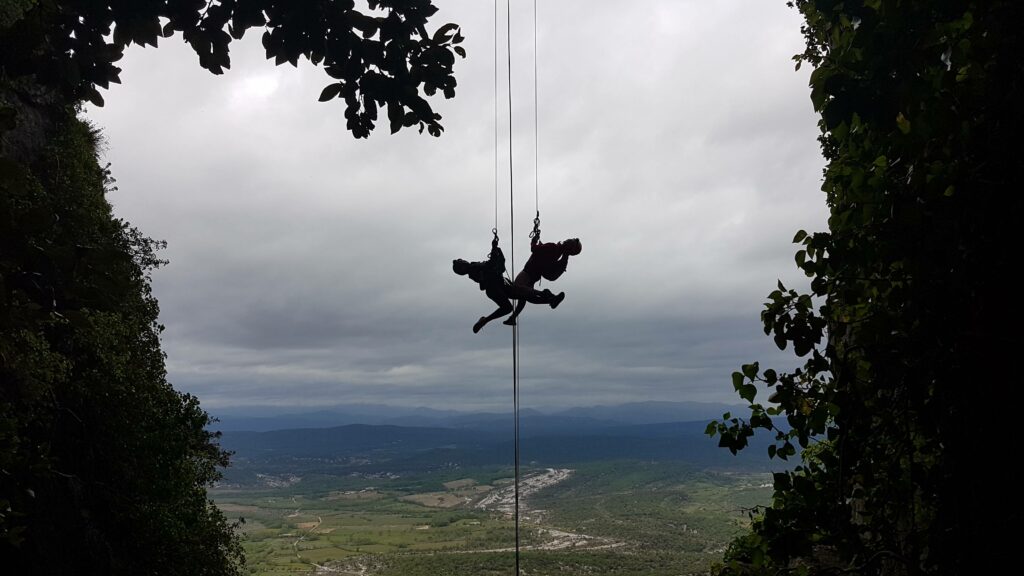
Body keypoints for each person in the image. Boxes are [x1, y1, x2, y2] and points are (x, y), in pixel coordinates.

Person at [453, 236, 564, 333]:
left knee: (519, 298)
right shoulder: (473, 268)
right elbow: (491, 264)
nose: (463, 261)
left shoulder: (473, 269)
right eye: (461, 262)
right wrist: (494, 247)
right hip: (496, 287)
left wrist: (495, 250)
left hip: (499, 285)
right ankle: (547, 296)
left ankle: (549, 298)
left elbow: (492, 265)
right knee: (519, 295)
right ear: (462, 268)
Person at [503, 235, 582, 325]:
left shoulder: (553, 247)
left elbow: (534, 249)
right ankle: (513, 317)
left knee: (516, 288)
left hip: (528, 272)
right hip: (535, 275)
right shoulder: (559, 254)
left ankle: (545, 294)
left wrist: (534, 241)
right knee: (524, 297)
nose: (569, 239)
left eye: (570, 240)